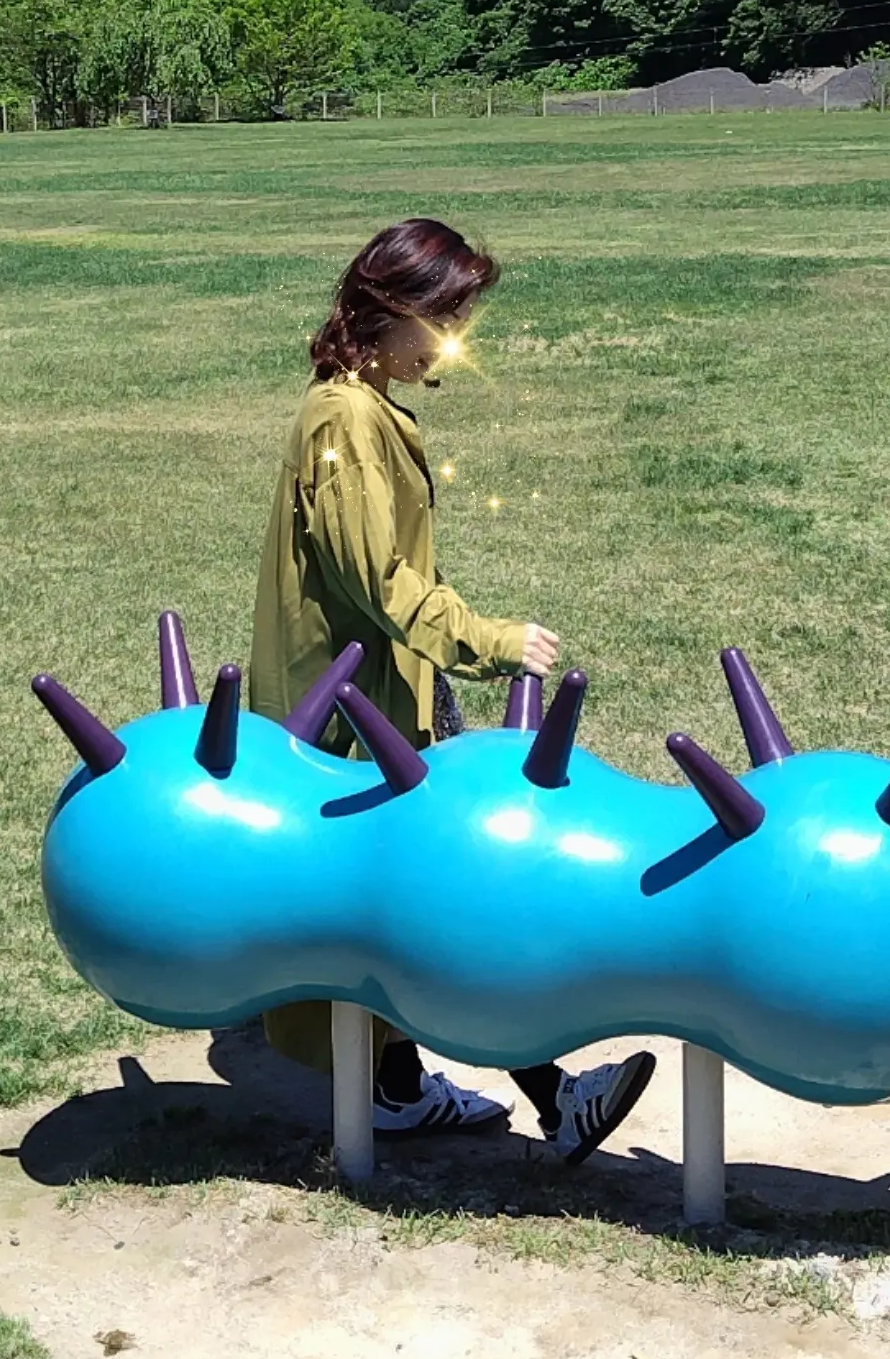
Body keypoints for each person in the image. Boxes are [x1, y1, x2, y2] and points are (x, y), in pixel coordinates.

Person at [248, 215, 655, 1162]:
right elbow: (376, 583)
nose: (455, 339)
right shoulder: (347, 418)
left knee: (398, 909)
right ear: (391, 312)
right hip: (356, 721)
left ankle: (402, 1092)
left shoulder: (357, 404)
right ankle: (557, 1095)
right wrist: (490, 640)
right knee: (456, 896)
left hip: (381, 703)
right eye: (448, 315)